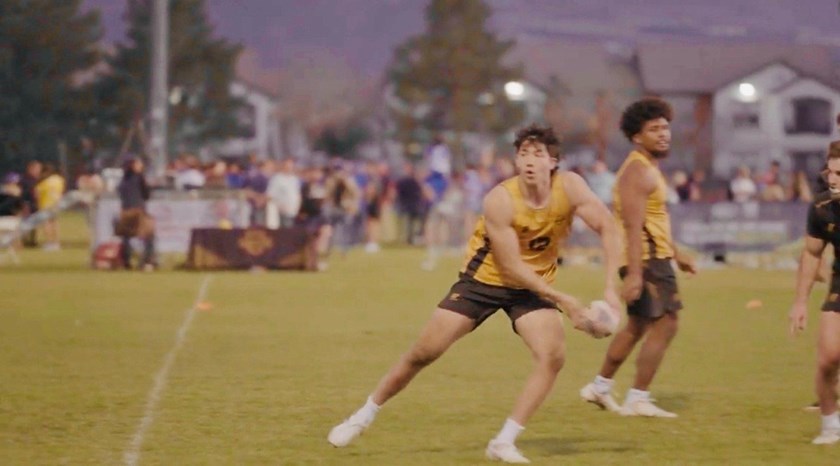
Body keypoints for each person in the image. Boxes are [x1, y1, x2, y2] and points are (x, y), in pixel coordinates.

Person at [327, 124, 622, 463]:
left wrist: (611, 289)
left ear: (553, 161)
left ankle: (504, 441)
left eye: (538, 153)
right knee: (424, 353)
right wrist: (565, 300)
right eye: (523, 153)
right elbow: (511, 266)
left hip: (532, 288)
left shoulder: (570, 187)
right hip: (483, 281)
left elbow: (607, 227)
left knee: (552, 356)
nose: (529, 160)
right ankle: (363, 416)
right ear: (516, 160)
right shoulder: (500, 199)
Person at [580, 98, 697, 418]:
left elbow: (652, 221)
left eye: (665, 128)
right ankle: (638, 398)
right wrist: (634, 273)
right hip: (645, 260)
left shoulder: (648, 168)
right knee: (667, 324)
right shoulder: (636, 171)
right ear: (637, 136)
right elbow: (633, 226)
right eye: (654, 129)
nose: (663, 134)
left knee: (637, 325)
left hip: (651, 257)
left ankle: (600, 387)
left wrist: (677, 254)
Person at [790, 141, 840, 444]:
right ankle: (831, 426)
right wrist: (800, 302)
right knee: (828, 358)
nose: (833, 179)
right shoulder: (823, 207)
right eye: (830, 173)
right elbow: (811, 253)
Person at [115, 158, 157, 271]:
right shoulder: (139, 177)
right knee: (149, 236)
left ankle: (126, 261)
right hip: (138, 210)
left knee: (127, 237)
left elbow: (120, 192)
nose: (141, 166)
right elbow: (146, 194)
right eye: (138, 164)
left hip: (125, 211)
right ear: (133, 166)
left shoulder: (124, 178)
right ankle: (147, 262)